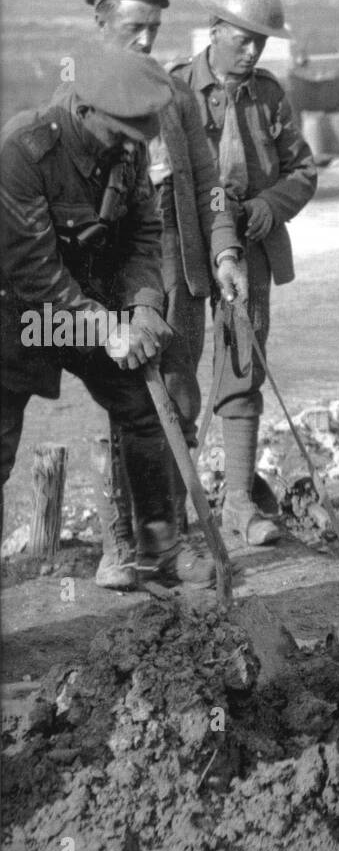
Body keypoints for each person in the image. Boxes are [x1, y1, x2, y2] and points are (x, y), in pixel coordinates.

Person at [0, 47, 215, 586]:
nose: (130, 145)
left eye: (136, 136)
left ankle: (159, 546)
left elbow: (145, 233)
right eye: (120, 133)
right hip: (21, 317)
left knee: (145, 406)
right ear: (85, 110)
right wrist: (107, 327)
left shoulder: (127, 146)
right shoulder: (24, 151)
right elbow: (34, 273)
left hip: (87, 312)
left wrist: (142, 310)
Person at [75, 0, 244, 587]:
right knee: (127, 410)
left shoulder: (174, 98)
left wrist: (224, 254)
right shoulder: (77, 100)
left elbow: (211, 189)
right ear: (101, 24)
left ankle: (167, 544)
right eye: (132, 28)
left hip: (183, 275)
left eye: (154, 28)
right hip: (115, 280)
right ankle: (120, 547)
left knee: (178, 401)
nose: (146, 41)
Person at [171, 0, 317, 545]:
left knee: (242, 366)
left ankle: (236, 504)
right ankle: (171, 516)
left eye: (262, 41)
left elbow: (302, 171)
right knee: (175, 371)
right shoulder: (176, 90)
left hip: (251, 247)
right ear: (215, 33)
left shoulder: (269, 96)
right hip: (186, 245)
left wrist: (268, 206)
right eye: (244, 39)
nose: (253, 51)